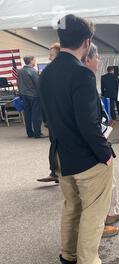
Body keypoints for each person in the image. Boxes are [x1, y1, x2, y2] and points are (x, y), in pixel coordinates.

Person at [38, 14, 119, 264]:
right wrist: (105, 153)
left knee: (71, 208)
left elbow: (48, 118)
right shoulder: (82, 74)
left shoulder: (47, 73)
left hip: (62, 156)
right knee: (93, 214)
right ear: (87, 42)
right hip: (87, 158)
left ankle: (68, 261)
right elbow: (88, 124)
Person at [82, 43, 119, 239]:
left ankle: (113, 212)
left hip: (100, 140)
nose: (99, 60)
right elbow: (86, 122)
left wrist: (105, 118)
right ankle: (97, 226)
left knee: (110, 182)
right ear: (88, 59)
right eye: (97, 57)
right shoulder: (81, 81)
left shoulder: (89, 79)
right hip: (92, 147)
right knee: (96, 189)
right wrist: (103, 152)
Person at [37, 43, 61, 183]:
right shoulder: (50, 72)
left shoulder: (52, 71)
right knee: (56, 144)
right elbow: (44, 97)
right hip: (55, 117)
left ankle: (56, 172)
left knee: (56, 144)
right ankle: (55, 172)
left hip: (55, 117)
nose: (49, 57)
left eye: (51, 55)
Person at [18, 56, 46, 138]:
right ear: (30, 61)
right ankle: (37, 133)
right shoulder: (33, 71)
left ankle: (29, 132)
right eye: (34, 60)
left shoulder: (20, 71)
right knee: (36, 114)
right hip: (34, 95)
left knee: (27, 114)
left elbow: (18, 84)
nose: (35, 61)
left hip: (24, 95)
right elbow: (38, 84)